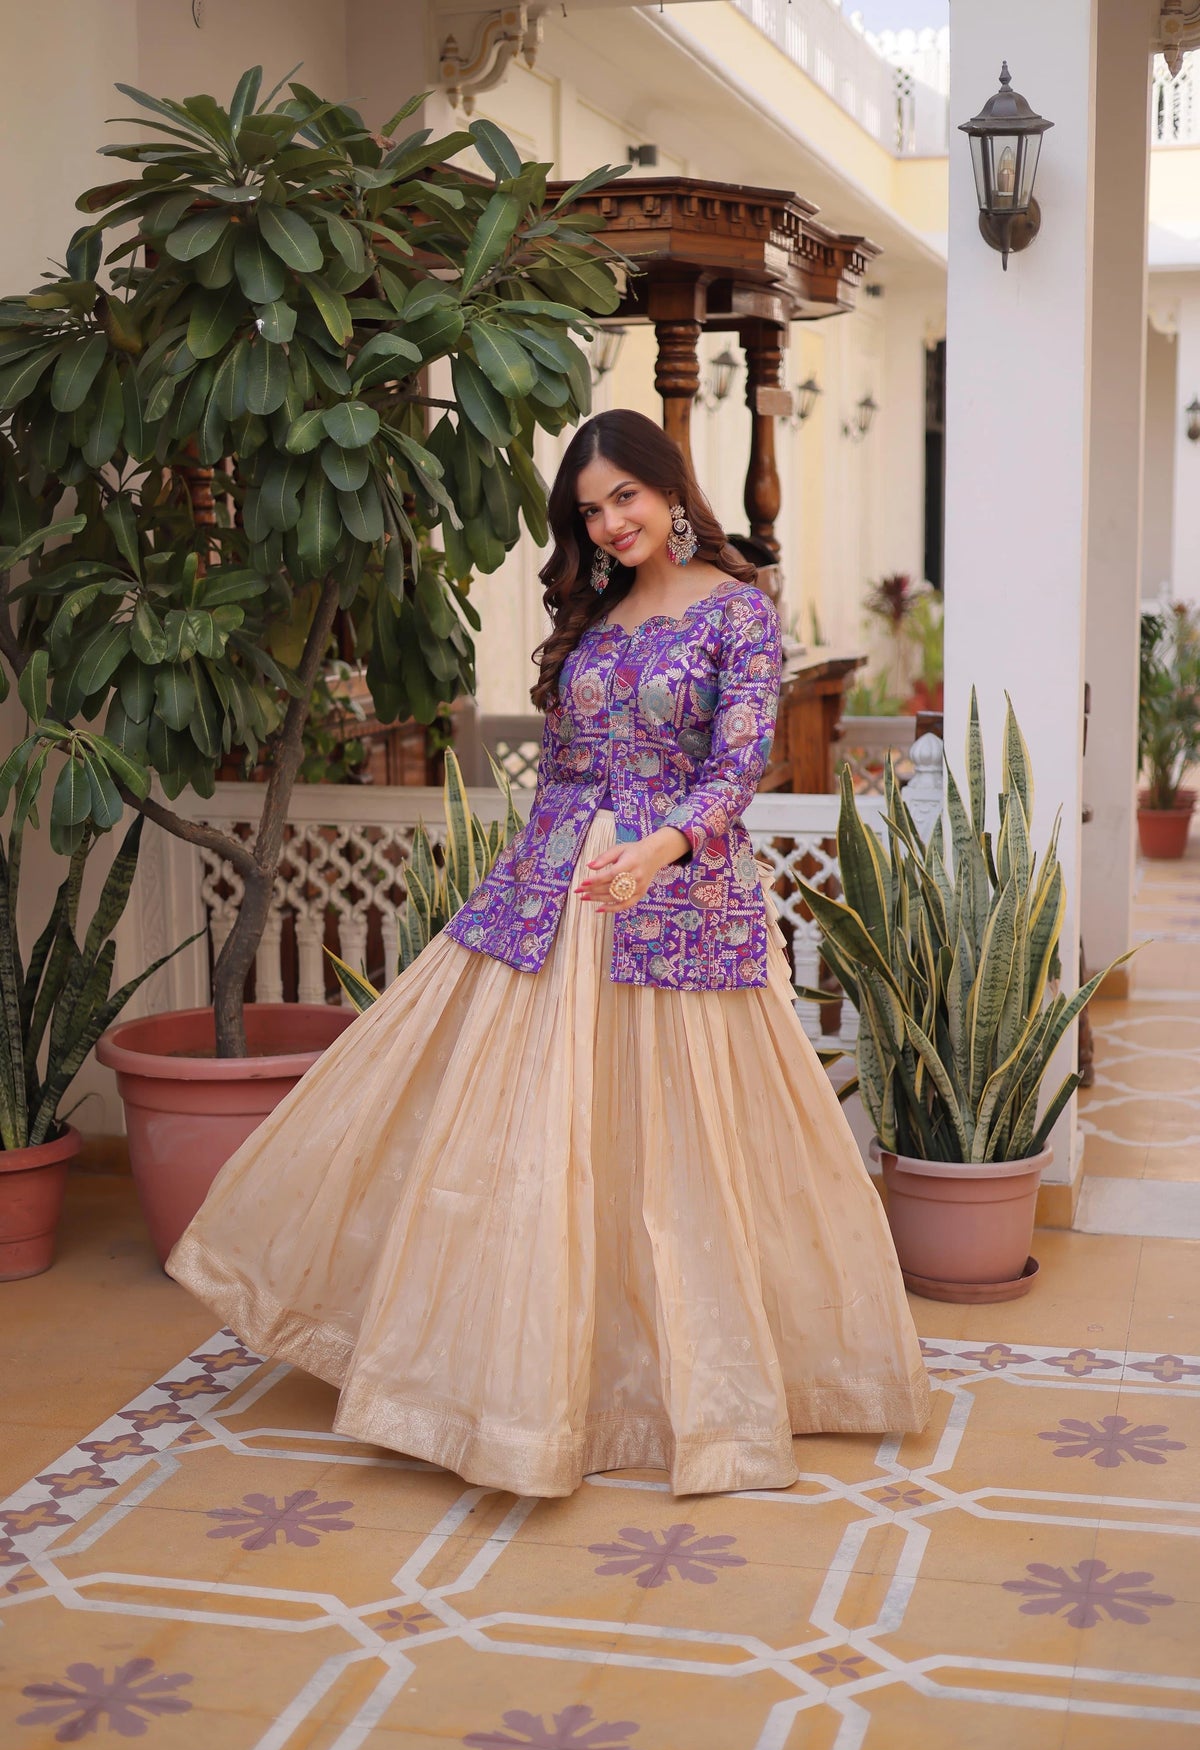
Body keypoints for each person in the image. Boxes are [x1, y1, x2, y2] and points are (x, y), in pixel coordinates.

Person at [167, 408, 930, 1498]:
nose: (611, 522)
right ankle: (507, 1384)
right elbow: (571, 764)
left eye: (624, 496)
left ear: (671, 487)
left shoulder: (738, 612)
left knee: (680, 1151)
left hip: (673, 894)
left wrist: (656, 851)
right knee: (509, 1130)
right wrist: (568, 858)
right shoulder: (598, 614)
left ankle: (681, 1384)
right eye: (589, 509)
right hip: (553, 886)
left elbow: (738, 765)